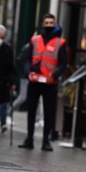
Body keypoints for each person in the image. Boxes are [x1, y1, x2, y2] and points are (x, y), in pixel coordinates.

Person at [19, 13, 67, 151]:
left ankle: (46, 141)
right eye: (46, 23)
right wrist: (28, 72)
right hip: (34, 81)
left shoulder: (61, 42)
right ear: (42, 24)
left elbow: (63, 63)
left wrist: (55, 74)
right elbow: (26, 58)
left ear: (55, 24)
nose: (49, 25)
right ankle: (29, 138)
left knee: (49, 112)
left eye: (51, 23)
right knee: (31, 111)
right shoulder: (35, 40)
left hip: (50, 83)